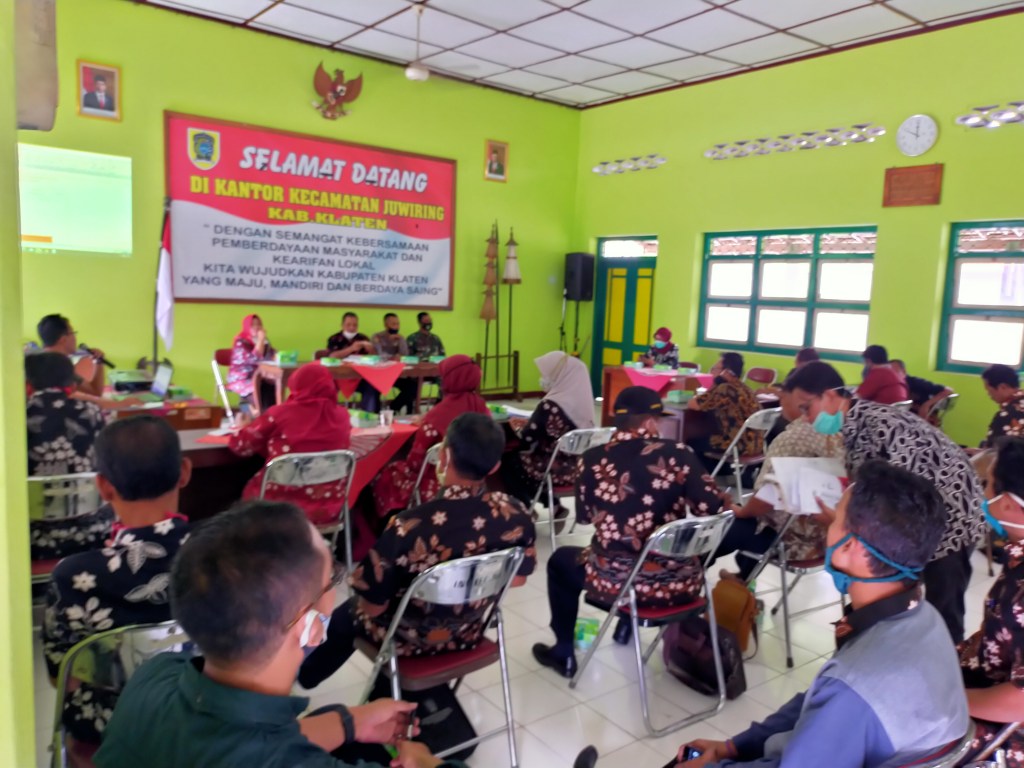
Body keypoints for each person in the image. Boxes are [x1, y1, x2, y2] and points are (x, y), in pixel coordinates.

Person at [94, 501, 460, 768]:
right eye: (330, 579)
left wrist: (348, 722)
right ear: (307, 625)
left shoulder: (152, 675)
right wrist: (426, 763)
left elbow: (236, 741)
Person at [675, 462, 969, 768]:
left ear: (850, 546)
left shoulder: (853, 687)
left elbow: (836, 702)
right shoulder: (926, 618)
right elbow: (818, 700)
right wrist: (734, 748)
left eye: (835, 519)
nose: (826, 527)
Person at [299, 413, 536, 689]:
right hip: (466, 634)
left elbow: (372, 607)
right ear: (495, 466)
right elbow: (517, 579)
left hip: (406, 641)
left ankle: (304, 677)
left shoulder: (410, 526)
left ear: (444, 456)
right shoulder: (515, 514)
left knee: (350, 612)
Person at [532, 387, 724, 678]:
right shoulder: (679, 454)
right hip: (681, 583)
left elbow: (584, 518)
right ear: (649, 422)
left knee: (561, 561)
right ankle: (625, 626)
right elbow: (710, 509)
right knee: (646, 552)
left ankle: (563, 652)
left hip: (617, 584)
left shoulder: (591, 459)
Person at [788, 361, 985, 642]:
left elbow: (895, 503)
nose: (806, 418)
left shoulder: (877, 426)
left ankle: (948, 664)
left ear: (830, 395)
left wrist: (839, 522)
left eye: (807, 408)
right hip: (925, 516)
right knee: (899, 604)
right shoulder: (858, 425)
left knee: (944, 613)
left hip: (954, 519)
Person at [44, 416, 191, 745]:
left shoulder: (71, 577)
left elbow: (61, 678)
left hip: (113, 730)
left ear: (104, 487)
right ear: (184, 472)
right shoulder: (225, 553)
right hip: (205, 719)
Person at [708, 375, 845, 580]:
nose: (781, 403)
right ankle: (740, 580)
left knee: (721, 527)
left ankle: (687, 578)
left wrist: (741, 511)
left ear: (802, 398)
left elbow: (766, 500)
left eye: (783, 396)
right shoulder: (840, 433)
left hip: (789, 542)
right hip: (828, 539)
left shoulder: (792, 439)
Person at [959, 437, 1024, 766]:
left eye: (987, 485)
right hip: (983, 679)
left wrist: (951, 699)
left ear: (1009, 503)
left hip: (1006, 730)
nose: (983, 495)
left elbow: (1020, 703)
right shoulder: (1018, 559)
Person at [229, 363, 352, 525]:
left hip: (277, 509)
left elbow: (240, 446)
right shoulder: (343, 416)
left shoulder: (279, 414)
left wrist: (242, 426)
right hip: (329, 508)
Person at [371, 355, 488, 520]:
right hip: (475, 485)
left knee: (385, 473)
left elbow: (415, 463)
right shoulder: (483, 410)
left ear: (451, 379)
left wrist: (425, 423)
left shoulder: (437, 416)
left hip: (437, 485)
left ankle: (390, 525)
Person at [25, 353, 111, 561]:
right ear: (71, 385)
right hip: (94, 533)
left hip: (32, 539)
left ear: (27, 385)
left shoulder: (19, 415)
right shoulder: (93, 412)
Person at [500, 351, 595, 513]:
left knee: (508, 462)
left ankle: (524, 510)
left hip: (550, 469)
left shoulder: (549, 405)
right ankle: (555, 506)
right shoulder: (585, 405)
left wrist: (517, 427)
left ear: (560, 376)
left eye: (548, 374)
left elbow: (527, 439)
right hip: (577, 468)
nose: (544, 378)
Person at [687, 352, 762, 472]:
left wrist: (716, 383)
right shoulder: (744, 387)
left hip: (738, 445)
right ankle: (725, 474)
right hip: (756, 443)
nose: (712, 372)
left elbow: (693, 404)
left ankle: (708, 477)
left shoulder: (724, 388)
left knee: (691, 443)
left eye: (715, 368)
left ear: (726, 372)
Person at [37, 313, 105, 398]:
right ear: (63, 339)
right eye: (73, 333)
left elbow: (95, 391)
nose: (75, 338)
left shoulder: (58, 365)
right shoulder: (58, 367)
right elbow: (95, 393)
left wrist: (98, 362)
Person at [327, 312, 381, 413]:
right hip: (339, 377)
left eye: (355, 325)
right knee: (326, 386)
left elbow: (374, 358)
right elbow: (332, 356)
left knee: (374, 385)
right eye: (348, 325)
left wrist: (372, 350)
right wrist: (351, 348)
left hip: (360, 377)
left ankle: (369, 416)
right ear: (342, 325)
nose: (352, 328)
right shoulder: (334, 338)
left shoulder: (363, 338)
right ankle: (331, 414)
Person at [226, 313, 275, 405]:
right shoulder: (240, 342)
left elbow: (271, 355)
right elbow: (254, 359)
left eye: (259, 324)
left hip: (259, 375)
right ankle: (253, 408)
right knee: (259, 384)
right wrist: (260, 340)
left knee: (273, 383)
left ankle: (270, 411)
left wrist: (280, 356)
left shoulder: (264, 340)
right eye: (252, 325)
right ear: (246, 326)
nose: (257, 327)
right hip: (242, 377)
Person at [372, 313, 416, 414]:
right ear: (386, 325)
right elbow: (378, 355)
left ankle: (393, 408)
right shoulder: (377, 337)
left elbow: (405, 356)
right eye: (393, 324)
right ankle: (376, 413)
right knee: (373, 388)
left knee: (413, 386)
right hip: (380, 375)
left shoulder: (400, 338)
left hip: (397, 375)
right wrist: (393, 356)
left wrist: (401, 341)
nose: (396, 327)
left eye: (398, 324)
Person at [980, 364, 1024, 448]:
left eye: (989, 390)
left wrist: (979, 453)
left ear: (1002, 387)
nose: (989, 394)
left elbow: (993, 451)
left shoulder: (1005, 415)